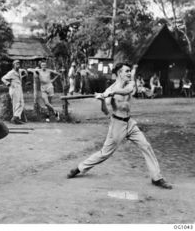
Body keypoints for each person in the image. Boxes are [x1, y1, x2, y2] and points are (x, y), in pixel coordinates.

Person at [66, 62, 172, 190]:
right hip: (117, 124)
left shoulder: (129, 84)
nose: (128, 73)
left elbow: (126, 91)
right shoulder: (109, 90)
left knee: (146, 146)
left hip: (130, 123)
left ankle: (157, 177)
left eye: (129, 71)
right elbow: (105, 111)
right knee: (104, 153)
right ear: (119, 73)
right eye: (126, 71)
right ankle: (79, 168)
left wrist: (110, 93)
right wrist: (102, 101)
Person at [1, 60, 27, 124]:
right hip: (14, 88)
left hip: (19, 88)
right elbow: (3, 78)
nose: (18, 65)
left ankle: (17, 117)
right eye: (16, 64)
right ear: (13, 65)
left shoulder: (20, 71)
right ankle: (15, 118)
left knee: (21, 103)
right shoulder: (11, 72)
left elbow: (24, 71)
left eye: (18, 64)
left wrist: (25, 73)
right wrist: (8, 83)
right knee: (16, 103)